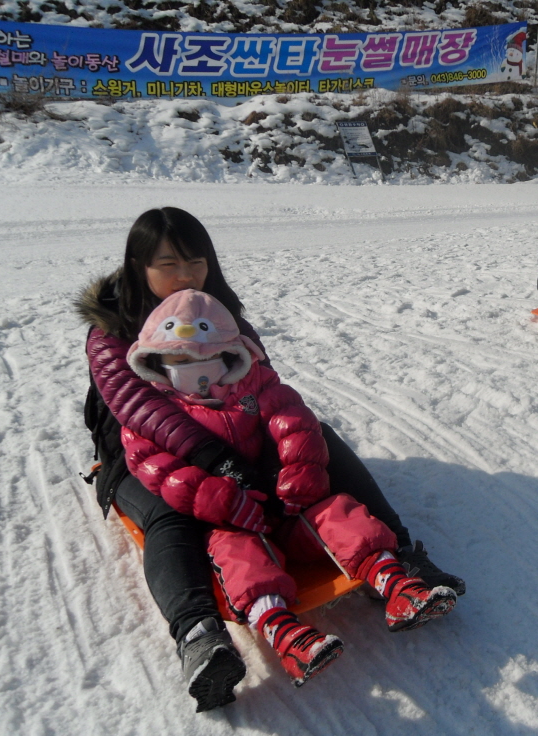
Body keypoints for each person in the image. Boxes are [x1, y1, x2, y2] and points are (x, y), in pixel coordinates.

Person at [77, 207, 464, 712]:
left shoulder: (220, 312)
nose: (184, 276)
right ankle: (199, 634)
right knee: (170, 511)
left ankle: (402, 553)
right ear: (137, 266)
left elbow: (264, 387)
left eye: (195, 262)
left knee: (315, 437)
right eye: (167, 263)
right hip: (141, 449)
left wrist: (284, 457)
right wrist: (216, 460)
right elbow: (139, 410)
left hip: (230, 434)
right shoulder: (111, 331)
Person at [121, 289, 456, 690]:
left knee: (338, 511)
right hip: (229, 519)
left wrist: (299, 473)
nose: (198, 373)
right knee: (236, 554)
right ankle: (286, 636)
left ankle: (396, 584)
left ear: (229, 353)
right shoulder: (154, 411)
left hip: (285, 506)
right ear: (158, 362)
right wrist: (226, 501)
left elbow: (295, 422)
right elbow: (159, 469)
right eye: (180, 361)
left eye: (207, 359)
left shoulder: (254, 383)